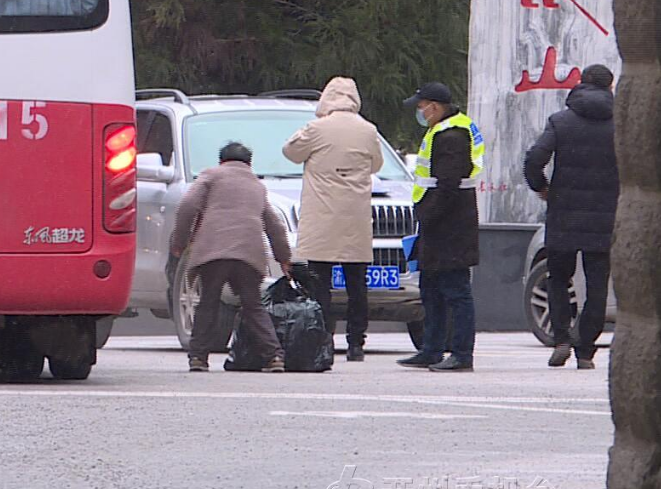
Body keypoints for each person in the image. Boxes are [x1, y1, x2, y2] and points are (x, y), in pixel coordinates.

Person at [168, 142, 295, 373]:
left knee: (208, 301)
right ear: (249, 163)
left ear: (221, 161)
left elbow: (187, 206)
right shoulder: (257, 185)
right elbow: (274, 224)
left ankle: (198, 357)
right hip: (249, 253)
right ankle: (274, 356)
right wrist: (284, 258)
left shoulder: (211, 176)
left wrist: (180, 242)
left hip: (213, 251)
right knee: (253, 304)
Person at [524, 64, 618, 370]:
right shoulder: (620, 126)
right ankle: (586, 349)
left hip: (564, 213)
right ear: (610, 88)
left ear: (580, 84)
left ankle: (562, 337)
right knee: (597, 284)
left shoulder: (561, 122)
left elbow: (534, 160)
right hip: (605, 216)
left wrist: (543, 189)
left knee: (558, 278)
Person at [283, 77, 383, 362]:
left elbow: (290, 152)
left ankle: (324, 338)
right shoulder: (368, 130)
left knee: (319, 283)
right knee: (356, 284)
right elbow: (376, 164)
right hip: (355, 218)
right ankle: (356, 343)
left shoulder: (315, 129)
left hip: (322, 217)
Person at [397, 82, 484, 372]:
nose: (420, 112)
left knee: (456, 290)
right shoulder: (442, 129)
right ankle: (431, 349)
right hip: (439, 223)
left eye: (421, 106)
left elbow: (448, 183)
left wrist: (429, 215)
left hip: (450, 224)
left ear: (435, 106)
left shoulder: (453, 134)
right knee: (431, 288)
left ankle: (461, 353)